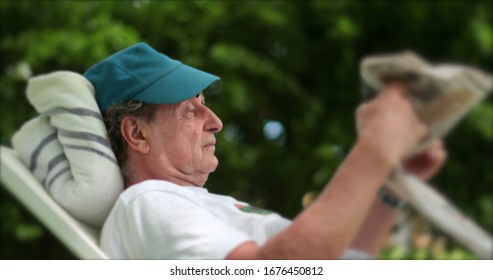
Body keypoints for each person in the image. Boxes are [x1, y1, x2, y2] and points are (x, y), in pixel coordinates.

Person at [83, 42, 446, 259]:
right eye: (190, 109)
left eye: (205, 103)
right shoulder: (150, 203)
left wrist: (395, 185)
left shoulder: (189, 204)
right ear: (137, 134)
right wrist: (373, 151)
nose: (215, 122)